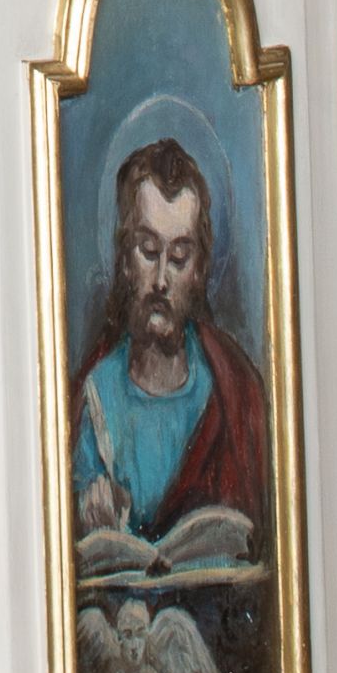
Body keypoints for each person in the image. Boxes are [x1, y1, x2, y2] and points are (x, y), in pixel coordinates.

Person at [71, 145, 272, 556]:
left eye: (179, 257)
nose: (161, 280)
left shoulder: (234, 393)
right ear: (125, 260)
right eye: (148, 251)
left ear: (199, 271)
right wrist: (88, 507)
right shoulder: (94, 397)